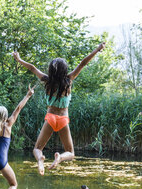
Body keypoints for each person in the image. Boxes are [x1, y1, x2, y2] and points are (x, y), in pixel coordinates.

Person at [13, 42, 105, 175]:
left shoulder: (47, 81)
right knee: (71, 152)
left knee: (37, 149)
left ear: (51, 70)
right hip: (63, 119)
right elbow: (82, 63)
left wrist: (19, 59)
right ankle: (60, 157)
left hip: (50, 118)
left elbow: (33, 68)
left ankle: (40, 160)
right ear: (65, 70)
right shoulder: (69, 80)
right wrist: (97, 49)